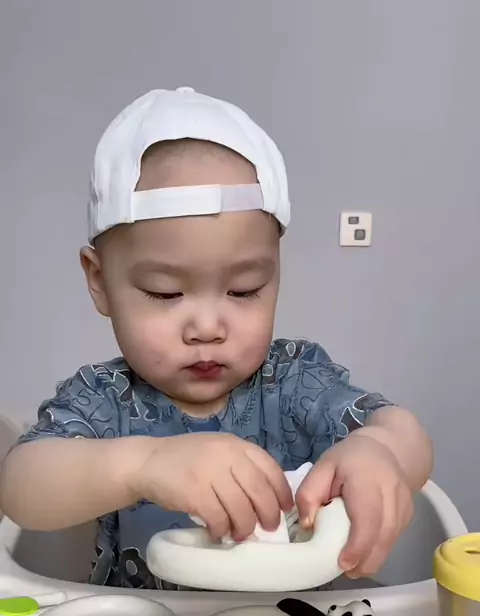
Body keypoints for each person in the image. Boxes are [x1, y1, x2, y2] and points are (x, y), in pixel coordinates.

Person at [0, 87, 433, 590]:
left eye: (244, 290)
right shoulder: (104, 400)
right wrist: (143, 465)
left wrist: (378, 450)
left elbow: (405, 433)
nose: (207, 328)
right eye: (165, 293)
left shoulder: (294, 382)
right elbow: (21, 486)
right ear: (99, 282)